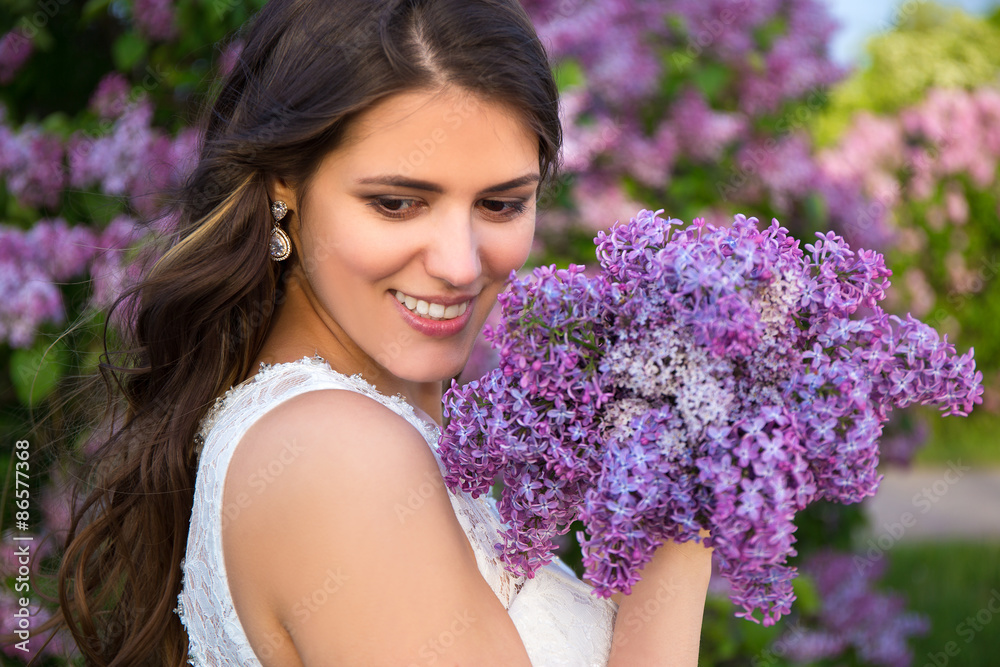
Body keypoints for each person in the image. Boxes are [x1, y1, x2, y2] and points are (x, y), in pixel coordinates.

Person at [56, 0, 713, 664]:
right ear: (284, 184)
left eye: (501, 203)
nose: (459, 264)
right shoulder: (337, 454)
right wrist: (681, 529)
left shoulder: (368, 433)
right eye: (397, 203)